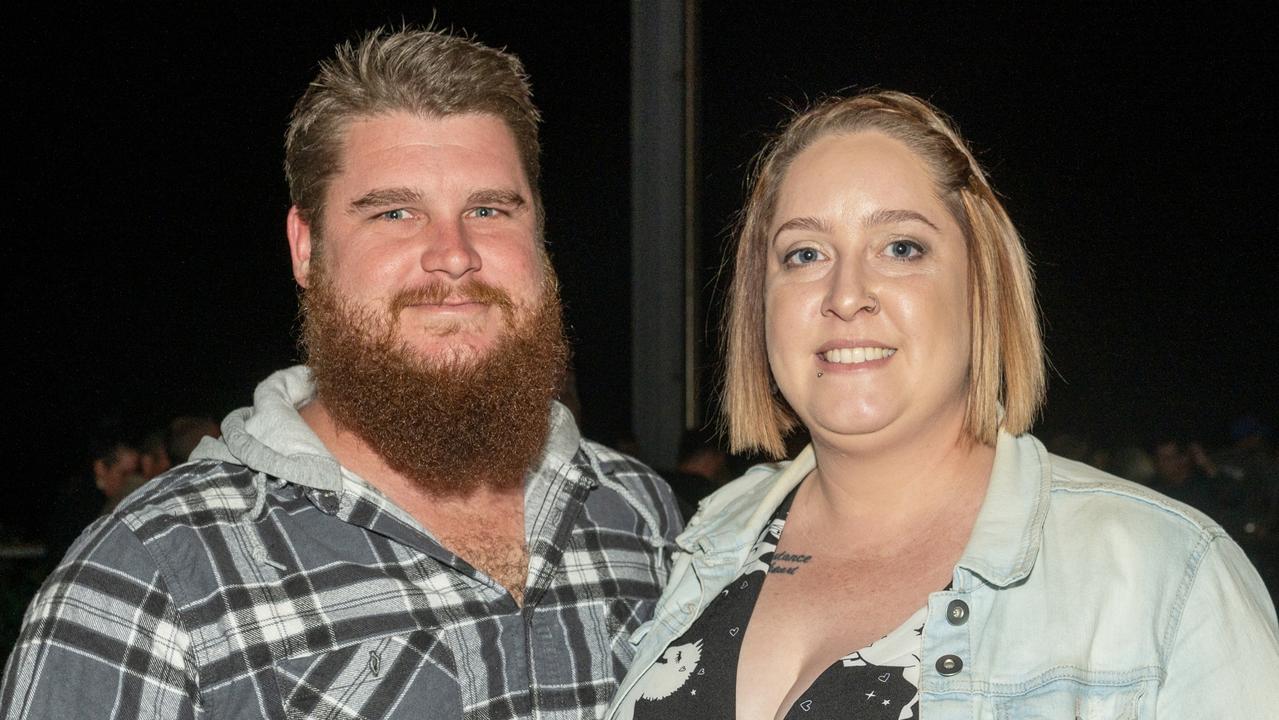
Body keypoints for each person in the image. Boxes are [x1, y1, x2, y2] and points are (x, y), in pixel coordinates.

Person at [3, 27, 679, 719]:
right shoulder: (146, 581)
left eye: (487, 209)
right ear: (306, 248)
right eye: (394, 213)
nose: (453, 254)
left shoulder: (637, 513)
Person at [606, 91, 1279, 719]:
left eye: (901, 248)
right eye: (804, 254)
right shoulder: (705, 543)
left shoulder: (1164, 577)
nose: (845, 294)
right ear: (760, 305)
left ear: (980, 288)